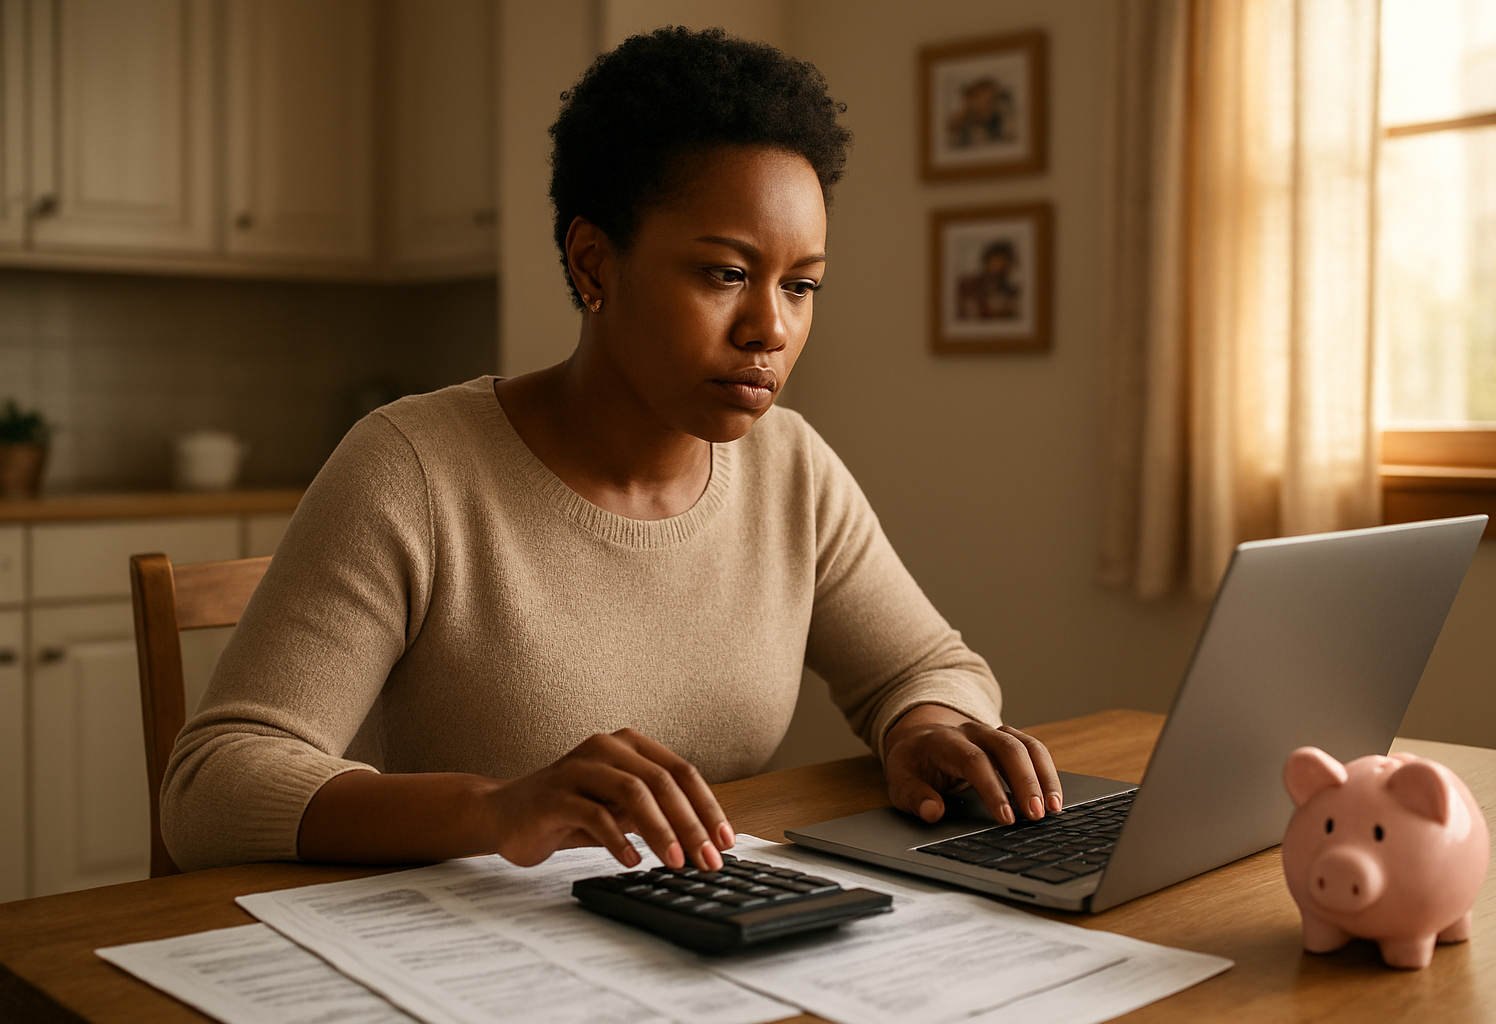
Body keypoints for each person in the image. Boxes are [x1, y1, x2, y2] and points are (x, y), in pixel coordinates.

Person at [161, 27, 1062, 876]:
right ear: (593, 264)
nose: (770, 328)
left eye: (802, 285)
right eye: (726, 274)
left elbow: (927, 668)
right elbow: (213, 784)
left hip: (705, 941)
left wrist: (924, 728)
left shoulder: (789, 467)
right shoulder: (414, 468)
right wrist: (497, 810)